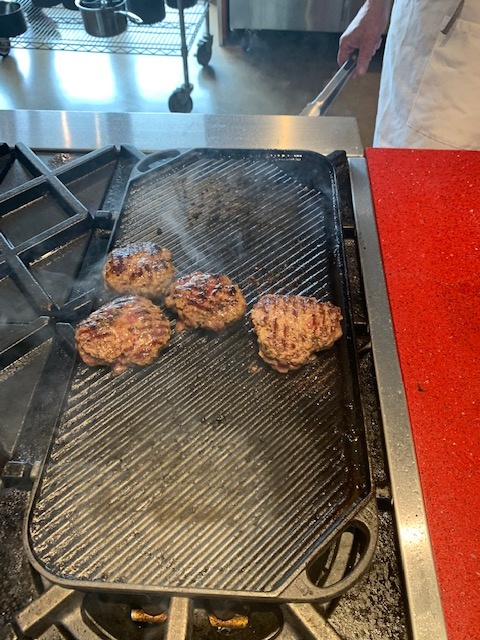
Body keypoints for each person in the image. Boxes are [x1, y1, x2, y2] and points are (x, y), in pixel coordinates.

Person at [338, 0, 480, 149]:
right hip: (416, 17)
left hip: (466, 49)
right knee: (392, 152)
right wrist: (375, 7)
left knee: (438, 163)